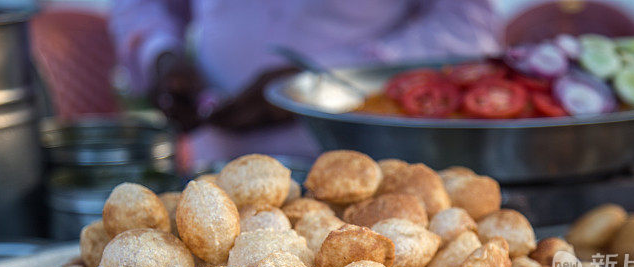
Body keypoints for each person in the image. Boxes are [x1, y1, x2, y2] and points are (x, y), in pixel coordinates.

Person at [110, 0, 502, 170]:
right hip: (216, 158)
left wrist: (320, 83)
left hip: (365, 161)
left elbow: (467, 26)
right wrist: (162, 55)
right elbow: (142, 8)